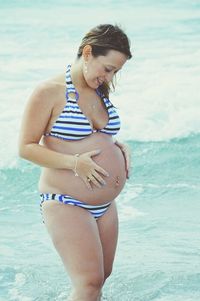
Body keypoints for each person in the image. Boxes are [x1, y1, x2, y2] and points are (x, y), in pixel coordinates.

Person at [19, 23, 132, 301]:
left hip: (104, 205)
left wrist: (117, 146)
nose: (109, 77)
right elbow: (26, 147)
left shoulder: (98, 90)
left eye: (115, 71)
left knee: (102, 276)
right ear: (88, 52)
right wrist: (74, 163)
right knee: (89, 283)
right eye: (107, 68)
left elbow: (96, 136)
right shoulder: (49, 91)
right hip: (66, 201)